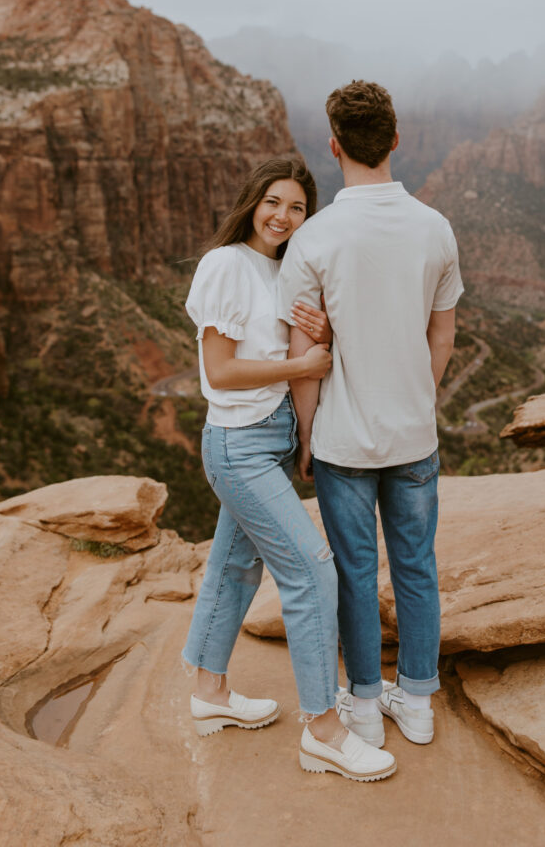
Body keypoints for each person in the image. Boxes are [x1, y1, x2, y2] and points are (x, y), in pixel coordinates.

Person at [181, 155, 397, 782]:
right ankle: (324, 731)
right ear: (253, 201)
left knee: (234, 566)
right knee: (312, 571)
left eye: (297, 206)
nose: (283, 215)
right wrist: (300, 369)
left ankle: (209, 694)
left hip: (271, 442)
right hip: (238, 444)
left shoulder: (280, 268)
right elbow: (220, 372)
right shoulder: (224, 264)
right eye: (273, 201)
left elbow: (290, 342)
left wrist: (314, 346)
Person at [278, 81, 463, 752]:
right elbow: (441, 337)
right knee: (416, 568)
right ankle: (416, 702)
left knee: (355, 574)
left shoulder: (314, 238)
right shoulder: (434, 227)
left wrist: (303, 438)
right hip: (413, 435)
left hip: (342, 443)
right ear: (393, 140)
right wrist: (419, 394)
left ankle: (360, 706)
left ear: (332, 147)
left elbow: (303, 351)